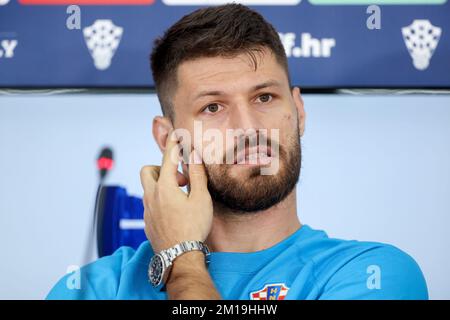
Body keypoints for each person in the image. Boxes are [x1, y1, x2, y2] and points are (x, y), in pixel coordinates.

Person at [47, 4, 427, 300]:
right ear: (168, 139)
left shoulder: (373, 275)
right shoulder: (90, 289)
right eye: (213, 107)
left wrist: (183, 258)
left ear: (298, 111)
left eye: (264, 97)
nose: (248, 127)